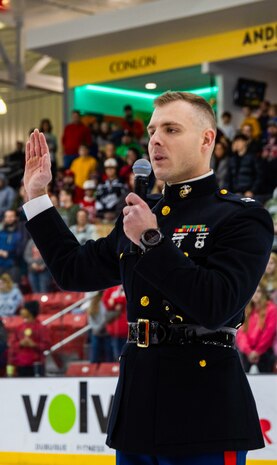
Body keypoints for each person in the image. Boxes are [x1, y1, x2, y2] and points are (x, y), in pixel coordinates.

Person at [23, 91, 274, 465]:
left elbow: (216, 305)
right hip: (137, 410)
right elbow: (73, 270)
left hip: (204, 412)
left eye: (171, 129)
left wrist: (152, 241)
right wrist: (37, 196)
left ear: (207, 139)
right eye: (153, 130)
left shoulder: (240, 217)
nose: (155, 139)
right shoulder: (141, 215)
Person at [236, 283, 277, 373]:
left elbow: (269, 333)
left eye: (258, 291)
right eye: (253, 291)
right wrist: (248, 351)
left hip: (265, 351)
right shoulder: (245, 309)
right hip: (247, 353)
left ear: (263, 294)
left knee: (267, 381)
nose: (255, 294)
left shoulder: (271, 309)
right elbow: (241, 333)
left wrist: (258, 351)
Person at [9, 300, 51, 377]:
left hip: (37, 365)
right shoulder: (19, 328)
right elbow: (12, 344)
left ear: (29, 311)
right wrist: (20, 343)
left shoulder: (41, 328)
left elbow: (47, 345)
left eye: (23, 309)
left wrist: (34, 345)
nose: (21, 311)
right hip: (20, 364)